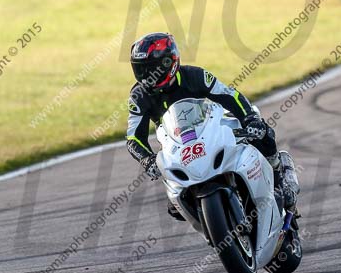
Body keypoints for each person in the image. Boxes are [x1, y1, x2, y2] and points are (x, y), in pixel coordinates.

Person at [125, 32, 296, 220]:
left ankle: (280, 180)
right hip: (179, 146)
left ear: (168, 63)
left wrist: (250, 119)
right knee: (176, 208)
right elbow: (134, 138)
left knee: (262, 133)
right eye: (141, 69)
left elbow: (229, 95)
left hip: (211, 129)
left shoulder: (194, 75)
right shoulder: (138, 96)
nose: (146, 76)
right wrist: (147, 159)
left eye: (151, 69)